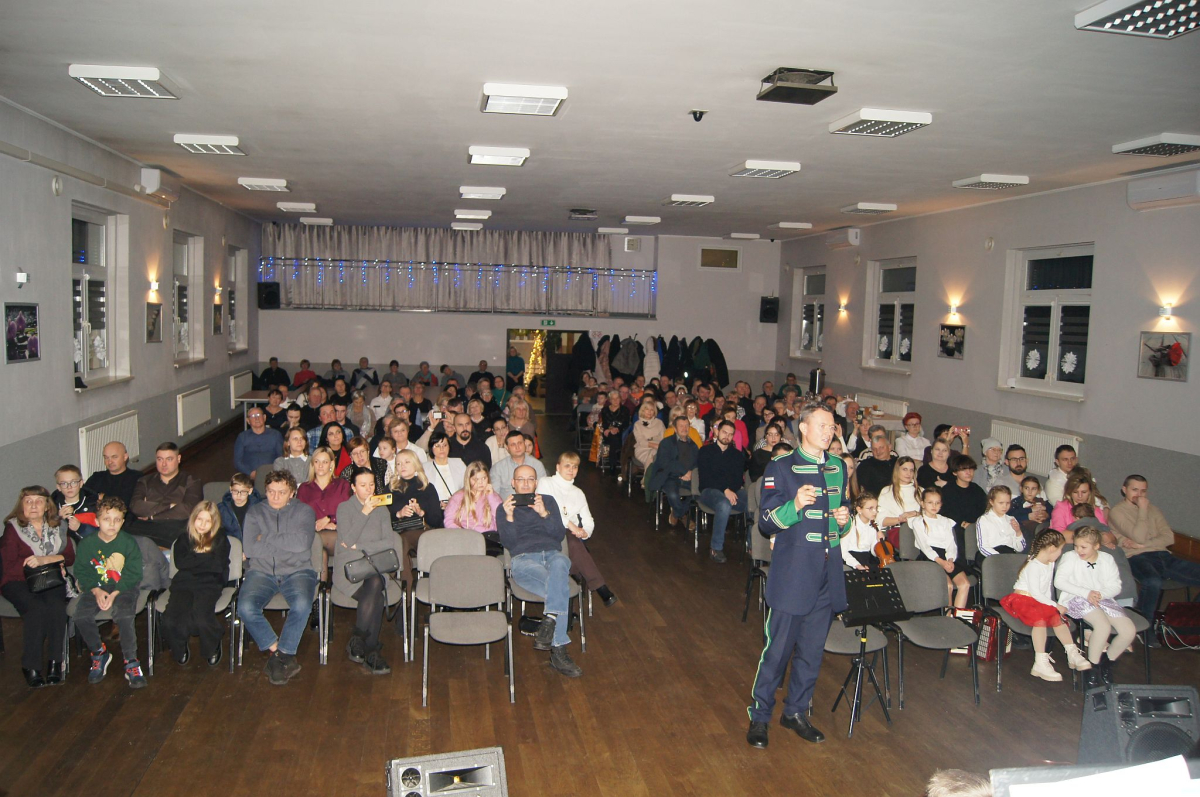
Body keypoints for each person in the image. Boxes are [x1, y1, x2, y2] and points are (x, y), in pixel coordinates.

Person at [748, 402, 850, 749]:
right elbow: (766, 522)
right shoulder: (781, 467)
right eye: (822, 425)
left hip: (827, 571)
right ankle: (760, 716)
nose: (828, 432)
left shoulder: (838, 467)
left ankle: (795, 711)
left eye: (832, 427)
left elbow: (842, 516)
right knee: (777, 652)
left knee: (811, 651)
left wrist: (844, 520)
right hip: (794, 572)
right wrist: (795, 505)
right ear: (803, 427)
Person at [497, 464, 582, 678]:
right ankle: (559, 650)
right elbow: (509, 543)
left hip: (552, 555)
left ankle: (550, 619)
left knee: (561, 561)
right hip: (524, 560)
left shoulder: (548, 501)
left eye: (530, 479)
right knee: (559, 586)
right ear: (513, 483)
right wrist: (509, 517)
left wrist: (544, 513)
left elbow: (558, 536)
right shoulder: (503, 507)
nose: (525, 484)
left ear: (536, 482)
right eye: (521, 479)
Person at [238, 470, 319, 686]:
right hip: (261, 571)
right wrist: (284, 544)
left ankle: (281, 656)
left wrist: (265, 537)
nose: (275, 497)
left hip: (297, 570)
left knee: (302, 604)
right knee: (245, 607)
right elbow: (250, 548)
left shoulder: (304, 511)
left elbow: (302, 544)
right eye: (271, 491)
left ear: (292, 493)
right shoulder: (255, 512)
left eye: (281, 492)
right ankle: (280, 653)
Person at [1, 486, 74, 687]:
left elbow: (69, 557)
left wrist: (45, 560)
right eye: (28, 501)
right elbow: (8, 565)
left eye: (38, 501)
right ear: (22, 506)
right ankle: (31, 665)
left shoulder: (58, 526)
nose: (33, 505)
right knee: (36, 609)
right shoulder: (13, 528)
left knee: (57, 607)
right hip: (17, 580)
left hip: (50, 578)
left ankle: (55, 662)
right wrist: (35, 565)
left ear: (46, 506)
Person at [998, 529, 1090, 682]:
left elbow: (1045, 591)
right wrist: (1055, 605)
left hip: (1038, 600)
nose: (1061, 552)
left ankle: (1072, 652)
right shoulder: (1033, 565)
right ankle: (1040, 662)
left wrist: (1053, 607)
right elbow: (1035, 593)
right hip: (1022, 599)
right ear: (1052, 548)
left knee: (1056, 617)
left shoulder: (1050, 563)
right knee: (1039, 619)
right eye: (1060, 549)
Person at [74, 496, 146, 688]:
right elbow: (81, 571)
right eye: (107, 519)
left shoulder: (128, 542)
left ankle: (131, 661)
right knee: (81, 616)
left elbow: (133, 573)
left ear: (122, 522)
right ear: (97, 521)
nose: (112, 524)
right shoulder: (87, 544)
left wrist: (115, 593)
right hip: (96, 586)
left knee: (124, 616)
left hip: (123, 587)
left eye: (117, 520)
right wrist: (96, 590)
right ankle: (99, 653)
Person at [1108, 475, 1200, 620]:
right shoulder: (1117, 511)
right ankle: (1145, 624)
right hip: (1136, 557)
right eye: (1135, 490)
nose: (1139, 495)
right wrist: (1143, 509)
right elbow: (1139, 536)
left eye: (1143, 491)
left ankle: (1189, 619)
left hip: (1162, 555)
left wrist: (1143, 545)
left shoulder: (1154, 510)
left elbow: (1169, 537)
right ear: (1124, 490)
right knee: (1152, 581)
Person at [1054, 526, 1137, 687]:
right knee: (1102, 626)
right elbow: (1060, 581)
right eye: (1076, 546)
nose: (1078, 550)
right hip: (1077, 597)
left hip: (1102, 599)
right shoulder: (1070, 557)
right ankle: (1092, 668)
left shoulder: (1107, 559)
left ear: (1096, 546)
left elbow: (1115, 586)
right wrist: (1086, 593)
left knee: (1128, 631)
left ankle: (1107, 663)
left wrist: (1101, 594)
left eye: (1083, 547)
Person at [334, 468, 396, 675]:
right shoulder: (344, 508)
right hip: (349, 570)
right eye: (363, 485)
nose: (369, 489)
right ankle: (372, 651)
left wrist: (360, 546)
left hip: (376, 566)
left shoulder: (382, 509)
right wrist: (364, 512)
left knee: (376, 582)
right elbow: (347, 540)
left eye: (371, 484)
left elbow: (389, 543)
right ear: (353, 487)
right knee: (377, 595)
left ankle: (358, 638)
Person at [538, 451, 617, 607]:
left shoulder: (578, 493)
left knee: (573, 543)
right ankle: (599, 586)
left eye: (575, 467)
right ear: (558, 467)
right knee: (572, 542)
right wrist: (571, 525)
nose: (571, 469)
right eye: (567, 466)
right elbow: (549, 510)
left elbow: (588, 519)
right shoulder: (546, 482)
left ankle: (571, 592)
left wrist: (585, 532)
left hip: (570, 535)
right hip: (547, 528)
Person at [163, 501, 231, 667]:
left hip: (209, 583)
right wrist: (205, 556)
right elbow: (181, 563)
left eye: (208, 521)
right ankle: (180, 647)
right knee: (170, 619)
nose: (202, 524)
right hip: (183, 583)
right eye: (199, 519)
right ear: (193, 519)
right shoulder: (183, 538)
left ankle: (212, 646)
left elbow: (217, 565)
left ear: (214, 523)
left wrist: (194, 558)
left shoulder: (221, 538)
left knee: (201, 618)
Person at [127, 442, 202, 547]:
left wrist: (152, 516)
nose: (164, 464)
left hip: (175, 527)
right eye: (160, 459)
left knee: (185, 534)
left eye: (169, 459)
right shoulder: (144, 481)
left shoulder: (192, 481)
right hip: (147, 527)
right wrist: (169, 506)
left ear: (178, 459)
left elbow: (188, 510)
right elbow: (135, 506)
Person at [910, 487, 971, 608]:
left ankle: (957, 616)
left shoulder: (945, 521)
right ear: (922, 504)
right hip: (931, 557)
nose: (934, 506)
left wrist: (950, 560)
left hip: (947, 556)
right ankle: (948, 616)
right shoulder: (918, 522)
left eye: (937, 503)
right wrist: (941, 562)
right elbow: (924, 546)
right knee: (947, 586)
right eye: (930, 502)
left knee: (965, 584)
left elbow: (951, 544)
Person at [697, 420, 746, 564]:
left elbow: (738, 480)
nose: (727, 436)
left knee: (752, 500)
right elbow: (706, 478)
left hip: (732, 491)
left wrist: (729, 490)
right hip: (708, 491)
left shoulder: (737, 455)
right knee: (724, 504)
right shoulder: (705, 451)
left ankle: (751, 544)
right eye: (724, 432)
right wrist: (725, 489)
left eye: (731, 434)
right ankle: (715, 548)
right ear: (717, 432)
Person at [388, 450, 444, 575]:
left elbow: (437, 520)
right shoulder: (390, 489)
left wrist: (421, 512)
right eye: (398, 463)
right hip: (399, 533)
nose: (402, 466)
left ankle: (410, 583)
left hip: (423, 531)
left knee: (405, 540)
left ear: (415, 464)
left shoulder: (427, 488)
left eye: (407, 462)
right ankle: (405, 584)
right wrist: (398, 514)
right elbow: (381, 518)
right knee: (401, 540)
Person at [648, 416, 700, 531]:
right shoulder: (666, 443)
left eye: (686, 426)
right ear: (675, 428)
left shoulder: (693, 445)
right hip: (670, 476)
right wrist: (683, 472)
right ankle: (683, 516)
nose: (684, 428)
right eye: (681, 426)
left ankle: (676, 513)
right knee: (672, 494)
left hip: (689, 477)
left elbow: (697, 463)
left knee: (699, 493)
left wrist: (691, 473)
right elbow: (666, 463)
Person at [297, 446, 350, 557]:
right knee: (319, 551)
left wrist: (330, 519)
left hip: (338, 530)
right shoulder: (304, 488)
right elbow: (300, 516)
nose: (320, 465)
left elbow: (348, 511)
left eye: (325, 462)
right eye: (317, 461)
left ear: (331, 464)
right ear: (313, 464)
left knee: (318, 543)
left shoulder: (342, 485)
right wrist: (317, 525)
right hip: (314, 532)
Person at [938, 455, 988, 562]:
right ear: (955, 472)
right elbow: (945, 512)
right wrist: (962, 523)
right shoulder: (947, 490)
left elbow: (983, 510)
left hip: (974, 527)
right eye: (964, 469)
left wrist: (973, 524)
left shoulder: (977, 490)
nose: (968, 472)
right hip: (955, 529)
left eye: (971, 469)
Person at [445, 461, 504, 543]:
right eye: (476, 479)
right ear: (468, 479)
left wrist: (490, 496)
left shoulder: (494, 496)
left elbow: (500, 519)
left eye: (484, 478)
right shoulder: (458, 497)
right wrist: (462, 534)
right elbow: (449, 521)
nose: (480, 482)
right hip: (465, 537)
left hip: (489, 537)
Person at [1049, 470, 1108, 538]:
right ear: (1069, 492)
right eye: (1075, 492)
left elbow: (1107, 533)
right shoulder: (1061, 508)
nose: (1080, 496)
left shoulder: (1095, 509)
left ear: (1090, 492)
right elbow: (1059, 534)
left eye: (1084, 492)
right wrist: (1089, 536)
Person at [84, 441, 142, 508]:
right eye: (106, 457)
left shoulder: (137, 478)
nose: (109, 462)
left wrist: (103, 497)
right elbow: (84, 498)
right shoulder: (96, 477)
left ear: (125, 457)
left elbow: (127, 504)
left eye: (114, 457)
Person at [975, 486, 1027, 562]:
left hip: (1009, 554)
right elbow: (983, 547)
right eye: (1001, 503)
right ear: (991, 502)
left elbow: (1020, 548)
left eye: (1008, 503)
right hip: (991, 556)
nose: (1005, 506)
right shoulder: (984, 520)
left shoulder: (1011, 519)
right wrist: (1000, 558)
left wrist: (1018, 532)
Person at [491, 431, 547, 499]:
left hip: (533, 504)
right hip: (508, 504)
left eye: (520, 443)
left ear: (524, 444)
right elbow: (493, 496)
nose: (517, 447)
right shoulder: (498, 468)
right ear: (507, 447)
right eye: (513, 444)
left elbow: (543, 492)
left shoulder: (537, 465)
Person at [234, 408, 284, 480]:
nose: (256, 418)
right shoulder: (242, 437)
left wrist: (273, 472)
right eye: (253, 416)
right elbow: (237, 462)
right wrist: (250, 473)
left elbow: (281, 457)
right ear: (248, 420)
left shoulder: (275, 435)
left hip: (272, 475)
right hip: (248, 477)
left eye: (258, 415)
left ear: (264, 417)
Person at [52, 464, 99, 539]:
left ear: (81, 483)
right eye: (64, 483)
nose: (69, 487)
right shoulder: (52, 508)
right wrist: (59, 521)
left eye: (73, 482)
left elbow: (103, 534)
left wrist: (81, 528)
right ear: (58, 487)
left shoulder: (94, 505)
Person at [876, 456, 921, 530]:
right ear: (897, 471)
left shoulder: (921, 491)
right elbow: (880, 520)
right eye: (905, 469)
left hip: (918, 529)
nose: (908, 473)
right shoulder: (887, 491)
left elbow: (930, 515)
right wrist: (901, 519)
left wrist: (915, 513)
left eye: (911, 470)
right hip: (895, 530)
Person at [842, 492, 883, 570]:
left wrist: (879, 542)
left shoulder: (875, 525)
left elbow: (873, 552)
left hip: (867, 559)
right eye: (870, 508)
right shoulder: (850, 524)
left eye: (876, 508)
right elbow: (843, 552)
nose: (875, 512)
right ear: (859, 509)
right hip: (851, 560)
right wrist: (857, 565)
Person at [425, 429, 466, 505]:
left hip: (456, 505)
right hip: (434, 506)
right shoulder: (425, 468)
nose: (442, 449)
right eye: (437, 446)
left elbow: (467, 486)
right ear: (431, 448)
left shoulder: (459, 463)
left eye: (445, 445)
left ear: (449, 447)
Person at [216, 472, 261, 541]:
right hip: (231, 545)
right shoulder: (221, 509)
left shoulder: (258, 508)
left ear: (250, 491)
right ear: (230, 489)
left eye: (243, 492)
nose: (238, 495)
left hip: (253, 544)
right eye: (235, 491)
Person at [855, 426, 897, 498]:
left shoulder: (897, 463)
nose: (878, 451)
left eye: (881, 447)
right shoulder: (865, 466)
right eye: (874, 449)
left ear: (889, 447)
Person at [632, 402, 665, 469]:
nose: (649, 412)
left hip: (659, 448)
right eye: (647, 409)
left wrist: (659, 446)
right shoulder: (637, 424)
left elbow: (664, 438)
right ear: (642, 410)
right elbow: (641, 441)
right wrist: (654, 445)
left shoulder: (659, 422)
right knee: (652, 457)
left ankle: (648, 474)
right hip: (643, 448)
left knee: (656, 455)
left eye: (652, 410)